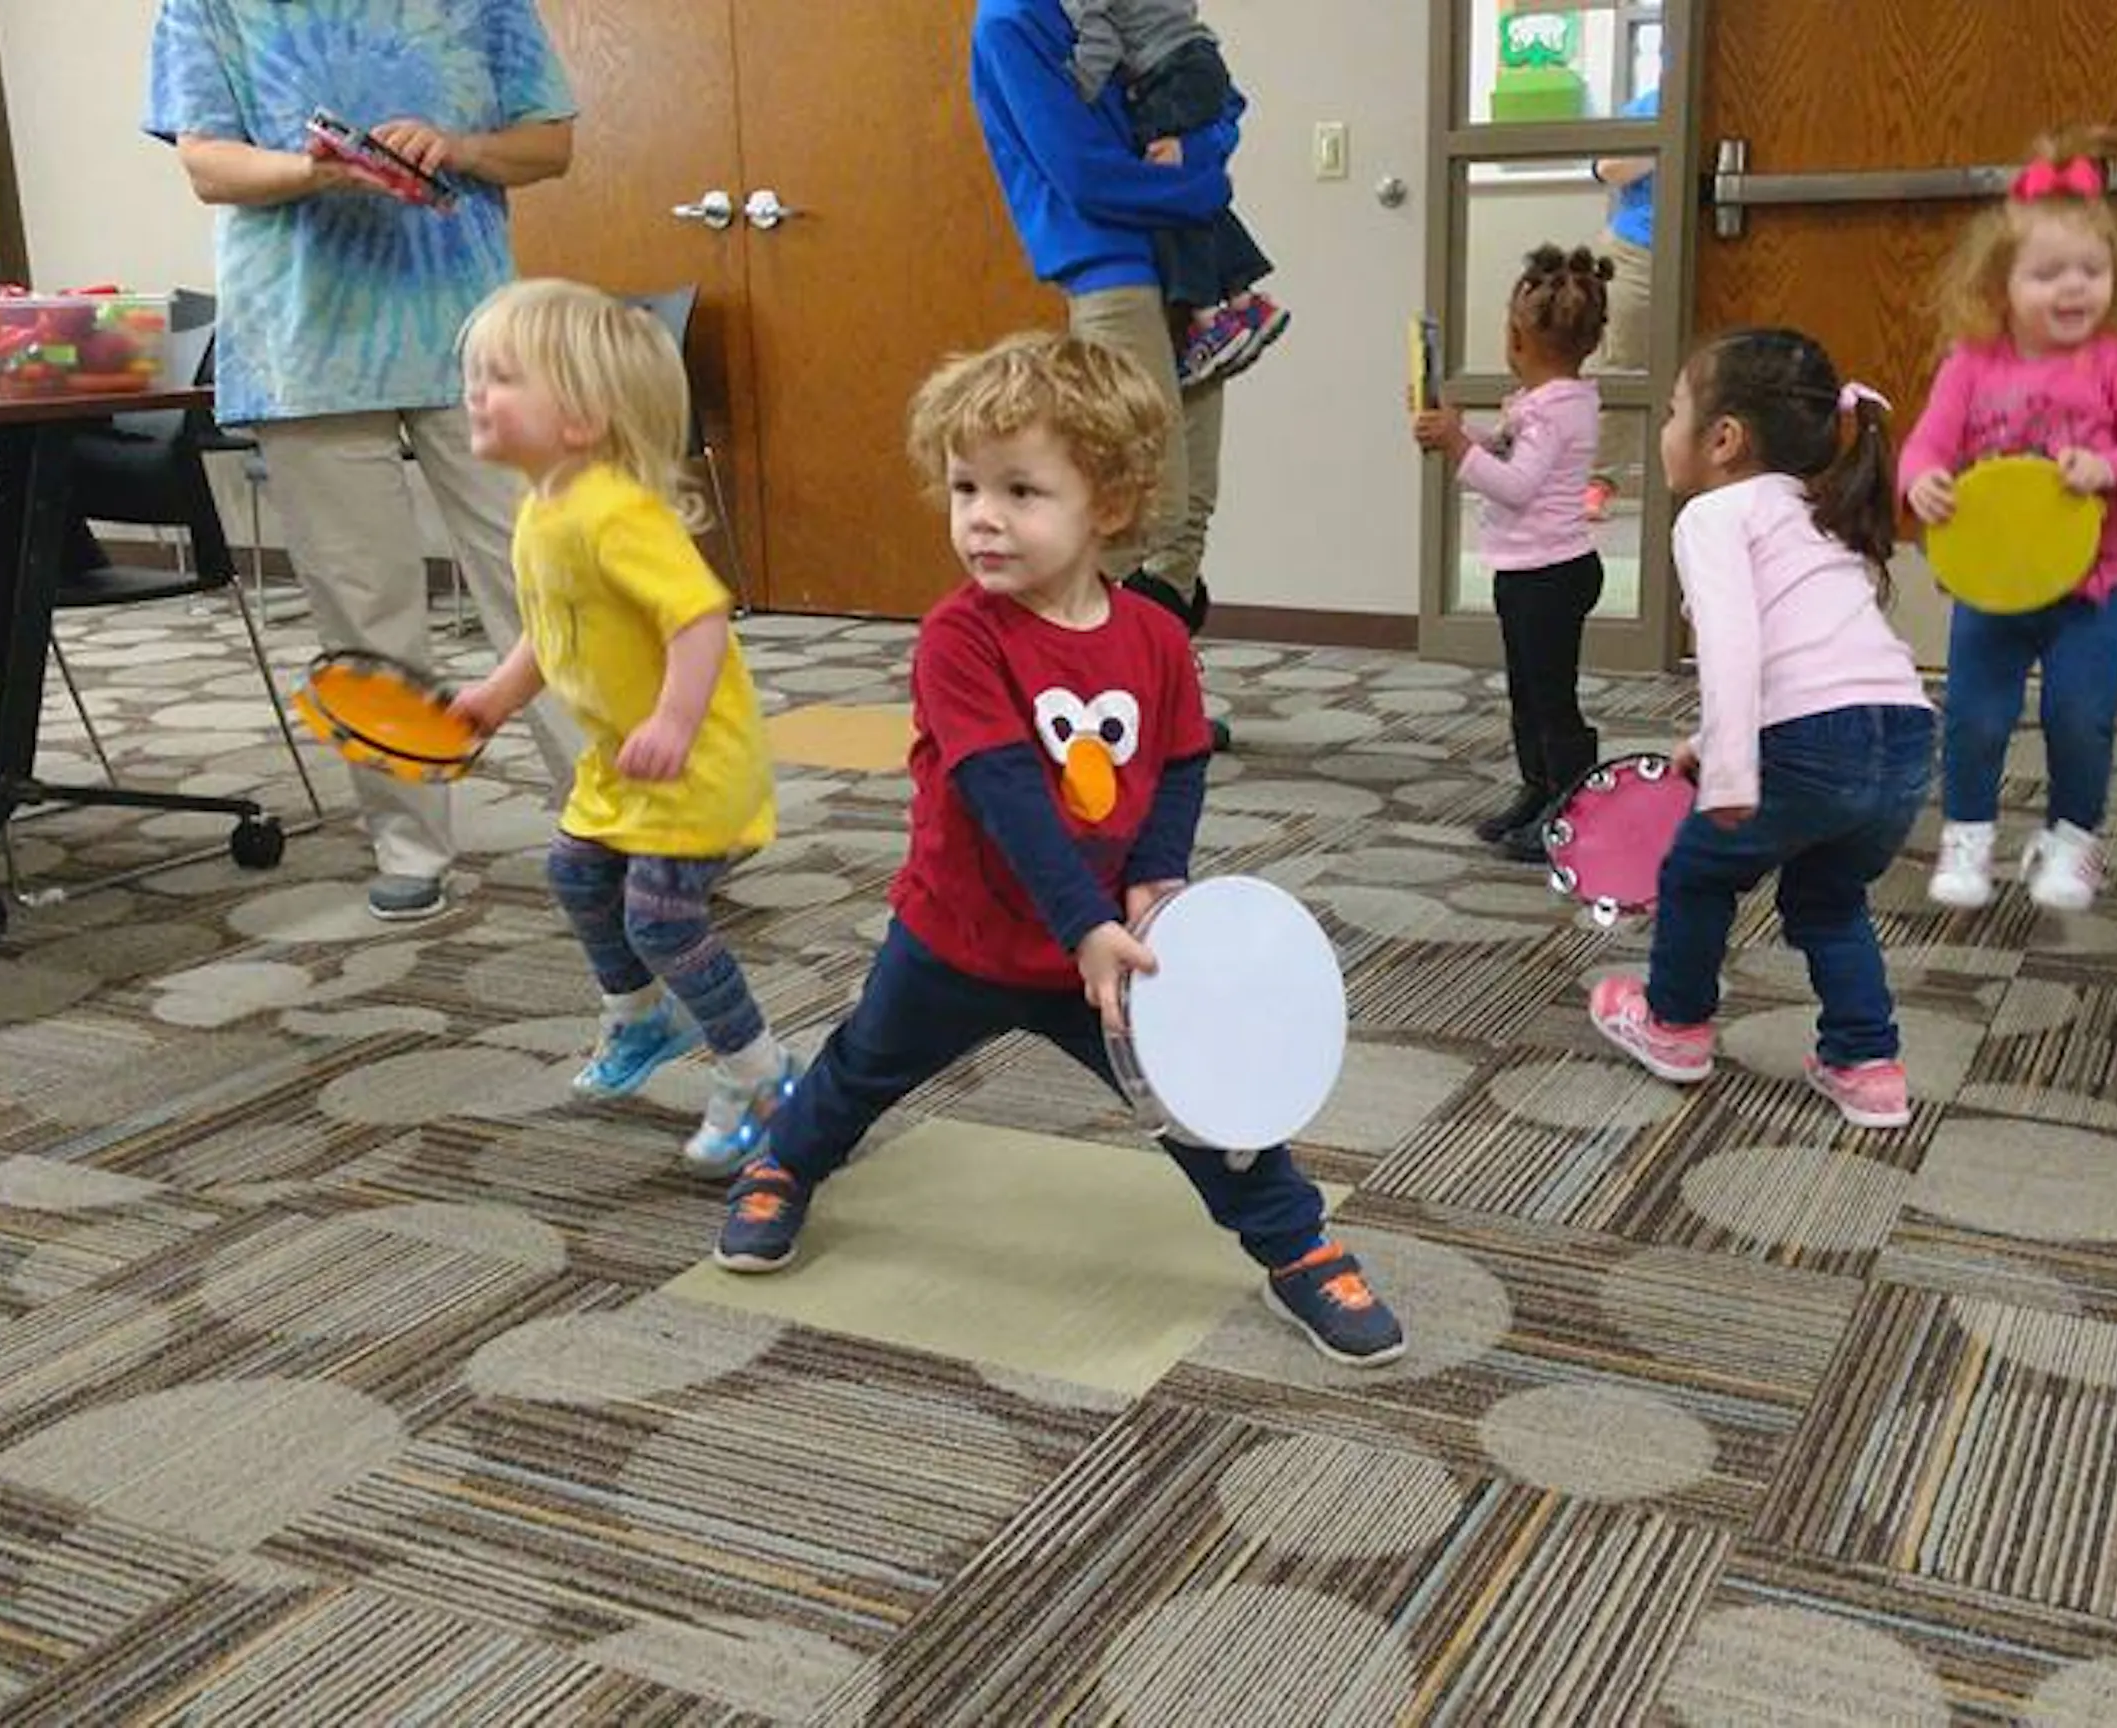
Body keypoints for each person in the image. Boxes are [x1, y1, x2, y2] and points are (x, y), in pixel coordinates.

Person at [709, 333, 1405, 1368]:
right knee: (863, 1067)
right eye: (964, 488)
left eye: (1021, 491)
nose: (981, 517)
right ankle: (785, 1164)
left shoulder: (1155, 639)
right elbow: (1005, 794)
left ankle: (1296, 1243)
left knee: (1199, 1097)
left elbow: (1179, 762)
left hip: (1103, 952)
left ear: (1107, 505)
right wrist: (1083, 921)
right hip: (959, 936)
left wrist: (1156, 877)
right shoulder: (962, 637)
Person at [145, 0, 585, 922]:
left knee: (547, 583)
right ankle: (409, 844)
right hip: (304, 342)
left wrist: (458, 148)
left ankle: (622, 824)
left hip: (470, 332)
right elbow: (206, 164)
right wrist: (319, 170)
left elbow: (550, 144)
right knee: (365, 611)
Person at [444, 282, 794, 1175]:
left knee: (663, 919)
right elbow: (550, 628)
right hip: (622, 759)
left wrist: (675, 721)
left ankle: (760, 1072)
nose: (475, 392)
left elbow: (699, 618)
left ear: (582, 418)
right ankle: (641, 1017)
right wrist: (497, 695)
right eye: (474, 375)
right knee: (575, 872)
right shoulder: (542, 508)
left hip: (692, 760)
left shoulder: (616, 512)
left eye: (501, 378)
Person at [1587, 329, 1935, 1130]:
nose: (1664, 429)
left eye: (1672, 412)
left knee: (1696, 875)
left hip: (1806, 744)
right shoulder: (1815, 510)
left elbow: (1734, 647)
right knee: (1830, 897)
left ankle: (1674, 1025)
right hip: (1906, 736)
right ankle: (1867, 1063)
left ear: (1723, 439)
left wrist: (1730, 773)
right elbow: (1815, 661)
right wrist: (1711, 743)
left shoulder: (1712, 515)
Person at [1899, 126, 2117, 915]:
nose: (2074, 288)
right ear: (2001, 283)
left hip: (2092, 587)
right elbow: (1925, 445)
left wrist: (2111, 469)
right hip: (1993, 583)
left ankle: (2072, 838)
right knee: (1975, 719)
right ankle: (1968, 834)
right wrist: (1920, 481)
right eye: (2048, 272)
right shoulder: (1973, 362)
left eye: (2092, 270)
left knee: (2080, 719)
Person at [973, 0, 1239, 719]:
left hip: (1188, 264)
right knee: (1148, 502)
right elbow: (1085, 177)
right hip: (1112, 268)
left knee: (1191, 505)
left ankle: (1152, 702)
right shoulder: (1011, 20)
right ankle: (1011, 668)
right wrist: (1203, 187)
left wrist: (1196, 155)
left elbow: (1220, 101)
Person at [1412, 244, 1610, 862]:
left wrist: (1455, 445)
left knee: (1550, 697)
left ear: (1516, 339)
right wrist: (1459, 433)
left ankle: (1570, 803)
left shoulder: (1550, 413)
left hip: (1549, 573)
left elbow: (1516, 486)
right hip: (1534, 568)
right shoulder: (1555, 403)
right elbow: (1508, 457)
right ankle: (1539, 788)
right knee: (1528, 692)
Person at [1064, 0, 1291, 387]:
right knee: (1186, 187)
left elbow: (1102, 44)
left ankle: (1209, 320)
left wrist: (1075, 87)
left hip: (1166, 73)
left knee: (1163, 190)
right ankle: (1244, 300)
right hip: (1201, 59)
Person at [1587, 82, 1657, 515]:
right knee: (1623, 365)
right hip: (1637, 250)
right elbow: (1606, 168)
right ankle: (1597, 481)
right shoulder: (1651, 102)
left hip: (1712, 246)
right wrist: (1664, 144)